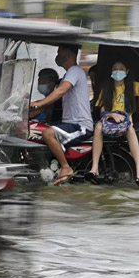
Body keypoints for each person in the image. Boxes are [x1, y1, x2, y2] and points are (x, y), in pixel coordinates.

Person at [30, 45, 94, 185]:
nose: (57, 56)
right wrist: (31, 111)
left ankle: (66, 168)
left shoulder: (75, 71)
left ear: (69, 56)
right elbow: (51, 101)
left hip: (80, 125)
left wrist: (38, 104)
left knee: (47, 133)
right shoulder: (68, 75)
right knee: (39, 131)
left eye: (60, 53)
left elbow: (61, 91)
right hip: (70, 124)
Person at [85, 59, 139, 186]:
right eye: (115, 69)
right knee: (98, 127)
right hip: (108, 123)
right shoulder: (106, 88)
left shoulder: (131, 86)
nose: (118, 72)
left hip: (125, 123)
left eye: (121, 69)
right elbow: (102, 111)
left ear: (127, 72)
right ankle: (94, 168)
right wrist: (112, 114)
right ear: (111, 72)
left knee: (131, 129)